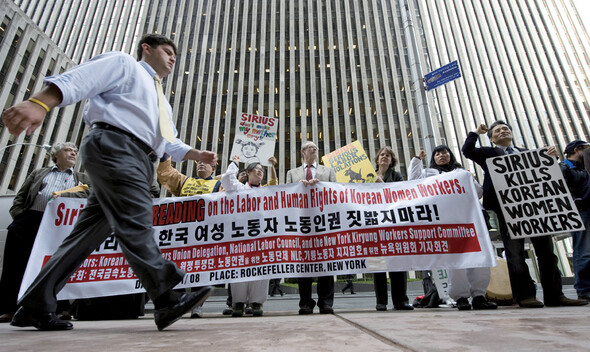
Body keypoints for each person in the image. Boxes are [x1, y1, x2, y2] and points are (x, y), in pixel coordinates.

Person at [1, 33, 217, 331]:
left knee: (83, 238)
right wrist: (40, 102)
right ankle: (167, 295)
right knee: (135, 219)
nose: (172, 59)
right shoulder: (125, 64)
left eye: (175, 56)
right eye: (167, 51)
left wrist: (194, 153)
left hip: (140, 158)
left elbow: (168, 142)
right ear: (147, 49)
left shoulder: (162, 103)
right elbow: (80, 79)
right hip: (116, 146)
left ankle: (35, 304)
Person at [462, 121, 587, 308]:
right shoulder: (488, 154)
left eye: (506, 129)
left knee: (547, 254)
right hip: (507, 210)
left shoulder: (528, 154)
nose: (503, 131)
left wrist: (551, 160)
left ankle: (555, 295)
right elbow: (468, 150)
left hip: (537, 211)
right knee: (515, 254)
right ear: (492, 138)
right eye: (498, 130)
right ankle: (525, 296)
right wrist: (476, 133)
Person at [0, 142, 91, 323]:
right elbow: (20, 197)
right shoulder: (40, 173)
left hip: (58, 227)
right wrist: (20, 217)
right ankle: (9, 309)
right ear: (56, 155)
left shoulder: (81, 178)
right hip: (30, 221)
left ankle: (60, 309)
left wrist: (64, 195)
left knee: (56, 265)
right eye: (68, 150)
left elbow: (91, 194)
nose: (73, 153)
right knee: (16, 266)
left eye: (75, 151)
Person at [410, 146, 497, 310]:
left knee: (478, 259)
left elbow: (478, 192)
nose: (441, 155)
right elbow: (413, 181)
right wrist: (416, 159)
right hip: (447, 222)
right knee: (454, 262)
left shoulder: (462, 172)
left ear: (450, 155)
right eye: (437, 153)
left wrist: (467, 178)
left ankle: (479, 295)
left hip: (471, 221)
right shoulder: (429, 173)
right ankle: (461, 297)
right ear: (433, 159)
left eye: (444, 152)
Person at [157, 155, 221, 318]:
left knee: (201, 269)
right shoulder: (184, 181)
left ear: (213, 169)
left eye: (205, 163)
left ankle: (197, 306)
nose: (200, 164)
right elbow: (166, 174)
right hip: (182, 235)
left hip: (205, 235)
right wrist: (166, 156)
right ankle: (176, 303)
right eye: (198, 162)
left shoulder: (219, 185)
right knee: (176, 268)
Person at [221, 155, 278, 317]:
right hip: (241, 236)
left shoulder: (267, 190)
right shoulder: (238, 187)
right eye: (257, 169)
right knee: (239, 267)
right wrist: (234, 162)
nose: (260, 172)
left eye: (262, 170)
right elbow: (226, 179)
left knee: (261, 269)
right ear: (247, 172)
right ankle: (238, 302)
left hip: (262, 236)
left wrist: (272, 165)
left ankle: (257, 302)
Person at [286, 141, 337, 315]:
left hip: (323, 223)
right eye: (309, 147)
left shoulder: (328, 171)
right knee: (304, 264)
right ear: (302, 152)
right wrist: (298, 187)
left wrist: (321, 187)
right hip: (302, 224)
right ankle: (305, 303)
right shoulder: (292, 173)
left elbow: (336, 193)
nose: (313, 149)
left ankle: (325, 302)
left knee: (326, 263)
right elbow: (286, 198)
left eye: (315, 147)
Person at [372, 146, 414, 311]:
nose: (384, 157)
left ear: (392, 160)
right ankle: (381, 301)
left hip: (393, 224)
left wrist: (383, 185)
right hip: (374, 224)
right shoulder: (367, 175)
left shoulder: (396, 176)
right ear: (377, 159)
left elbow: (401, 194)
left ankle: (400, 301)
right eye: (381, 154)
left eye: (388, 155)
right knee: (378, 264)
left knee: (398, 263)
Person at [558, 140, 590, 301]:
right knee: (583, 250)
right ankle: (584, 289)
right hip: (581, 211)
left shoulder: (585, 168)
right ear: (577, 150)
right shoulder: (564, 167)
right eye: (587, 149)